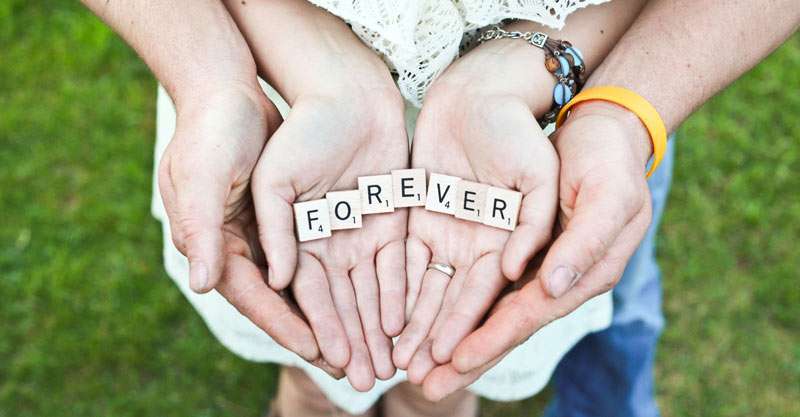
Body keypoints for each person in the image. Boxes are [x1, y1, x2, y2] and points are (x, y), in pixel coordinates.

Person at [80, 0, 799, 416]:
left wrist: (623, 110)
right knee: (315, 366)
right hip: (276, 88)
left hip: (562, 105)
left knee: (445, 375)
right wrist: (210, 75)